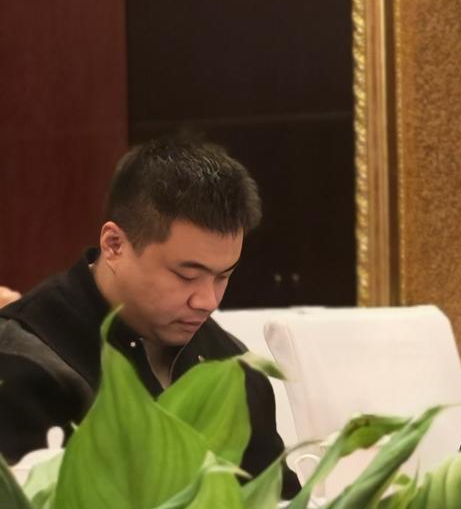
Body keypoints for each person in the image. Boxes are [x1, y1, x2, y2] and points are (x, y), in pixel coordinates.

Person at [0, 137, 290, 480]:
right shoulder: (28, 361)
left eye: (223, 276)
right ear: (114, 245)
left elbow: (279, 503)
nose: (207, 301)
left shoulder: (232, 366)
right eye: (186, 275)